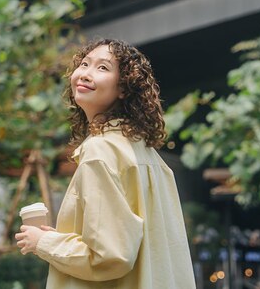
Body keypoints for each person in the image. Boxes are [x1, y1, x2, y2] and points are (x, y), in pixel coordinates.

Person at [15, 38, 196, 288]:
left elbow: (110, 255)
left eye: (102, 68)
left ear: (124, 88)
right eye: (85, 64)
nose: (86, 74)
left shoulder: (99, 151)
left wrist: (42, 243)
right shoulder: (148, 155)